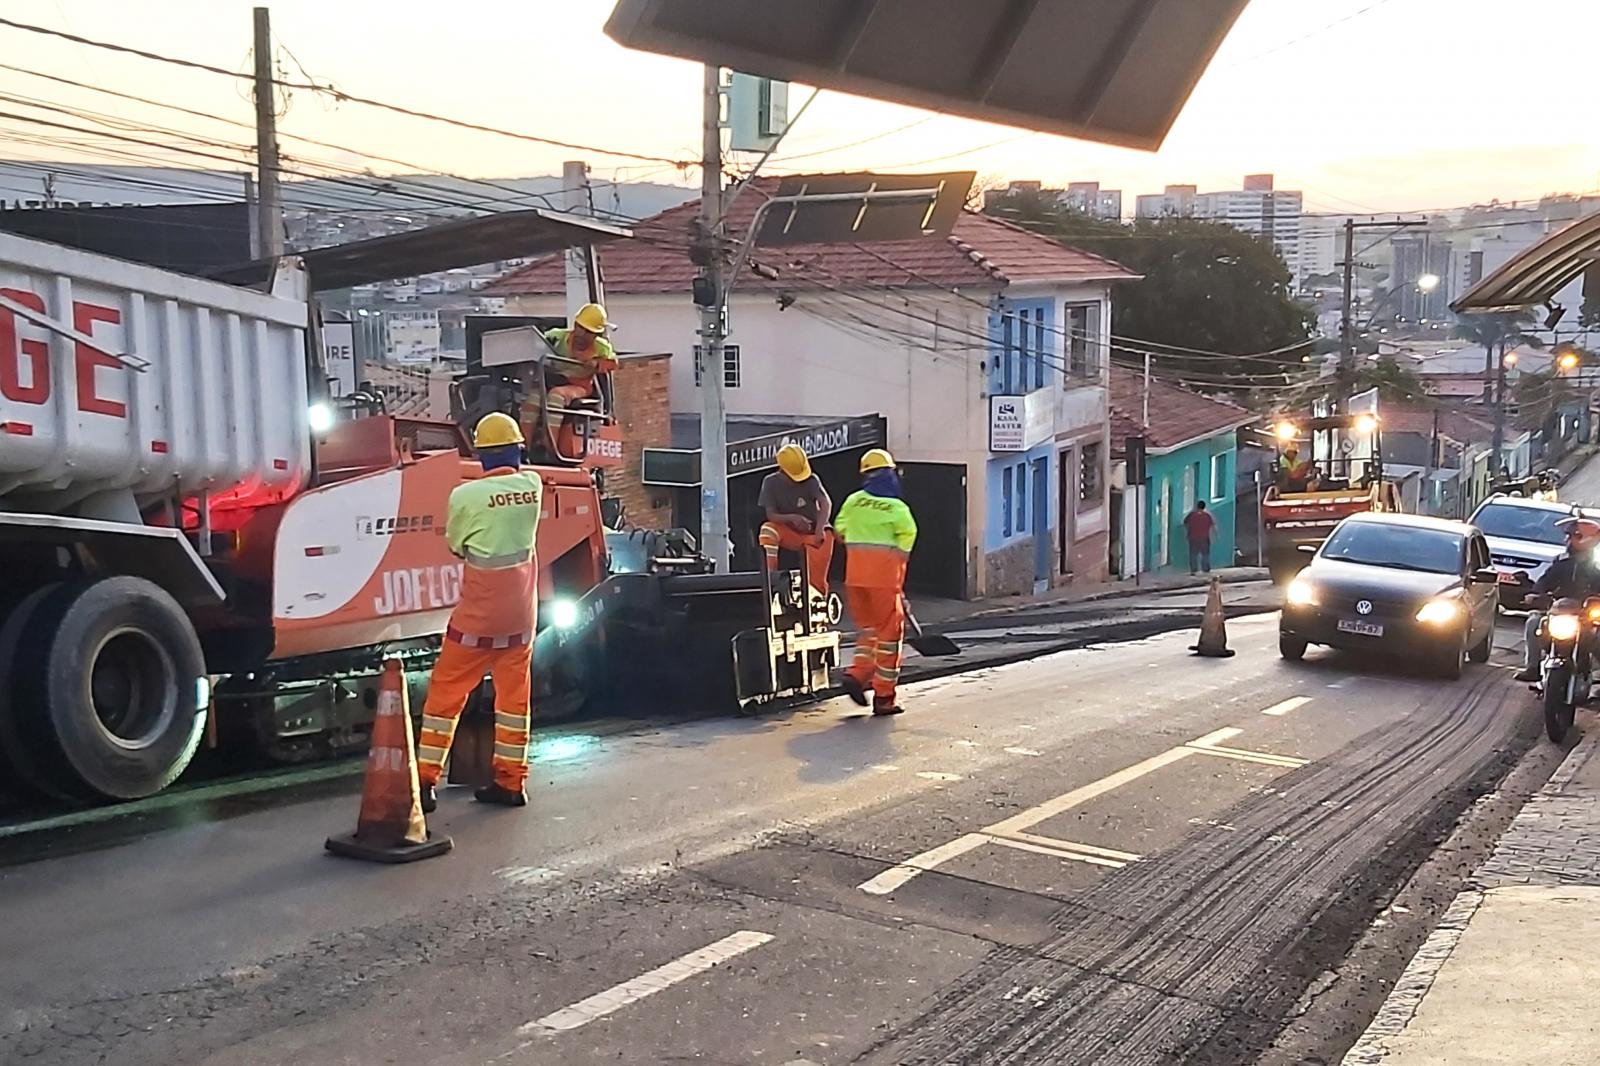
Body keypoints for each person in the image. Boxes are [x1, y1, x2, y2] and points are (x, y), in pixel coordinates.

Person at [416, 412, 543, 810]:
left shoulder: (464, 495)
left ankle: (423, 782)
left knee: (444, 697)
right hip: (521, 621)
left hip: (476, 621)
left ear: (481, 455)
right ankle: (511, 782)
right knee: (514, 703)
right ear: (517, 450)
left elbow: (456, 546)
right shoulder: (533, 486)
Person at [834, 448, 917, 716]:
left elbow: (839, 531)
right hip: (884, 582)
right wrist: (897, 584)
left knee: (869, 630)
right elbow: (905, 546)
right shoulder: (898, 509)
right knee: (890, 636)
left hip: (855, 579)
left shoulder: (853, 501)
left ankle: (857, 674)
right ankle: (884, 698)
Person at [1515, 517, 1600, 682]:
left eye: (1571, 536)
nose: (1567, 540)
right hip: (1560, 609)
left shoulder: (1597, 567)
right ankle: (1533, 668)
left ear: (1584, 538)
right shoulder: (1562, 562)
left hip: (1587, 614)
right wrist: (1535, 593)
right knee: (1534, 622)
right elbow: (1546, 580)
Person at [757, 443, 834, 595]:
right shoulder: (770, 482)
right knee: (767, 530)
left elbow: (825, 502)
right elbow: (771, 515)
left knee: (816, 580)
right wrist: (792, 518)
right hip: (790, 532)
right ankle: (770, 580)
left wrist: (819, 529)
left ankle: (817, 598)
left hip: (814, 533)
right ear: (782, 471)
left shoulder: (812, 480)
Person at [543, 302, 617, 407]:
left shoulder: (602, 348)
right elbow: (535, 341)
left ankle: (552, 424)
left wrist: (597, 362)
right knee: (533, 396)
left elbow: (614, 363)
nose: (581, 334)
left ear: (596, 334)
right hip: (554, 381)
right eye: (579, 327)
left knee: (557, 395)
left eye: (588, 331)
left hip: (580, 386)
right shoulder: (557, 337)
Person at [1183, 499, 1216, 574]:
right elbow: (1213, 526)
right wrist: (1215, 536)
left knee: (1193, 554)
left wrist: (1188, 531)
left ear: (1197, 506)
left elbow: (1185, 523)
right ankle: (1205, 569)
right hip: (1204, 538)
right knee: (1205, 554)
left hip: (1193, 537)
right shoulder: (1207, 515)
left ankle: (1194, 570)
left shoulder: (1192, 515)